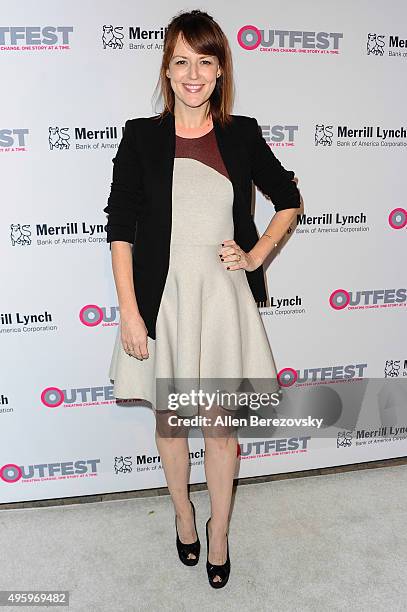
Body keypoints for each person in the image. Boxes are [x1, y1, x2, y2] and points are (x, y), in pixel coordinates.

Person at [103, 9, 301, 589]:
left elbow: (288, 197)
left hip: (219, 300)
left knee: (219, 431)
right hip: (162, 302)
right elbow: (120, 227)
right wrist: (130, 313)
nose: (193, 74)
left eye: (205, 62)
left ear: (220, 71)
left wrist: (256, 253)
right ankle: (184, 515)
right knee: (171, 427)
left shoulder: (241, 133)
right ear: (167, 69)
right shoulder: (141, 135)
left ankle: (218, 532)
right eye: (182, 61)